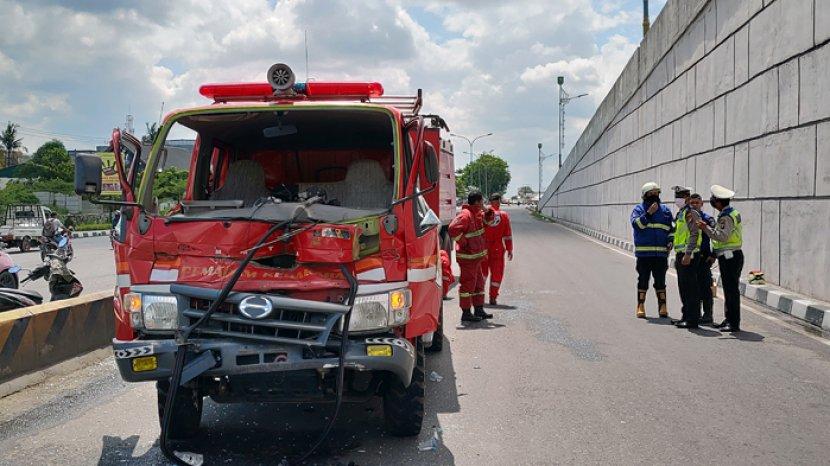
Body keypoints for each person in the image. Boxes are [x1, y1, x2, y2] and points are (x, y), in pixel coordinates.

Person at [697, 185, 743, 333]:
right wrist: (715, 254)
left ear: (718, 202)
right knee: (729, 290)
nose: (712, 201)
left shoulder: (726, 216)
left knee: (731, 291)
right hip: (729, 255)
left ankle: (733, 323)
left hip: (730, 257)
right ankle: (728, 319)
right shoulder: (731, 212)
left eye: (713, 199)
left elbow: (723, 237)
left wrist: (706, 228)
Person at [630, 182, 674, 319]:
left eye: (657, 193)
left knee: (660, 281)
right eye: (652, 193)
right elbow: (637, 225)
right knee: (643, 279)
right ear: (645, 195)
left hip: (661, 254)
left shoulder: (665, 210)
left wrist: (670, 240)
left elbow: (671, 229)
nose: (655, 196)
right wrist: (649, 214)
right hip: (644, 254)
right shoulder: (638, 209)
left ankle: (663, 306)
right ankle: (640, 305)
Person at [448, 191, 492, 322]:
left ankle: (479, 309)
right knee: (468, 285)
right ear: (477, 202)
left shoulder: (477, 213)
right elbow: (452, 229)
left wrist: (486, 210)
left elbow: (489, 221)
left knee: (479, 284)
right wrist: (465, 243)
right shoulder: (466, 215)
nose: (483, 204)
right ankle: (466, 313)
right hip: (468, 258)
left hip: (475, 258)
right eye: (481, 202)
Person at [671, 186, 704, 329]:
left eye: (680, 196)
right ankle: (685, 316)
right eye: (676, 196)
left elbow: (694, 234)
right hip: (681, 254)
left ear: (687, 198)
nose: (677, 199)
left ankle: (692, 319)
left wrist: (688, 253)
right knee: (683, 288)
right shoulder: (681, 213)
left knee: (690, 288)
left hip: (689, 256)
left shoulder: (691, 213)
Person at [688, 194, 717, 325]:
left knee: (705, 287)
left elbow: (716, 237)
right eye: (692, 202)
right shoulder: (686, 218)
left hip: (704, 258)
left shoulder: (708, 219)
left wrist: (714, 255)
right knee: (693, 287)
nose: (694, 205)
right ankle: (695, 313)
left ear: (702, 204)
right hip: (691, 257)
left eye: (697, 202)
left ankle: (708, 315)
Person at [482, 193, 513, 306]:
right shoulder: (504, 215)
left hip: (483, 248)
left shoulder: (483, 214)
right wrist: (509, 249)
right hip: (497, 248)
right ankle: (493, 298)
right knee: (497, 274)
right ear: (499, 202)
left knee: (482, 273)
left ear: (490, 201)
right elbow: (507, 235)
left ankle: (478, 297)